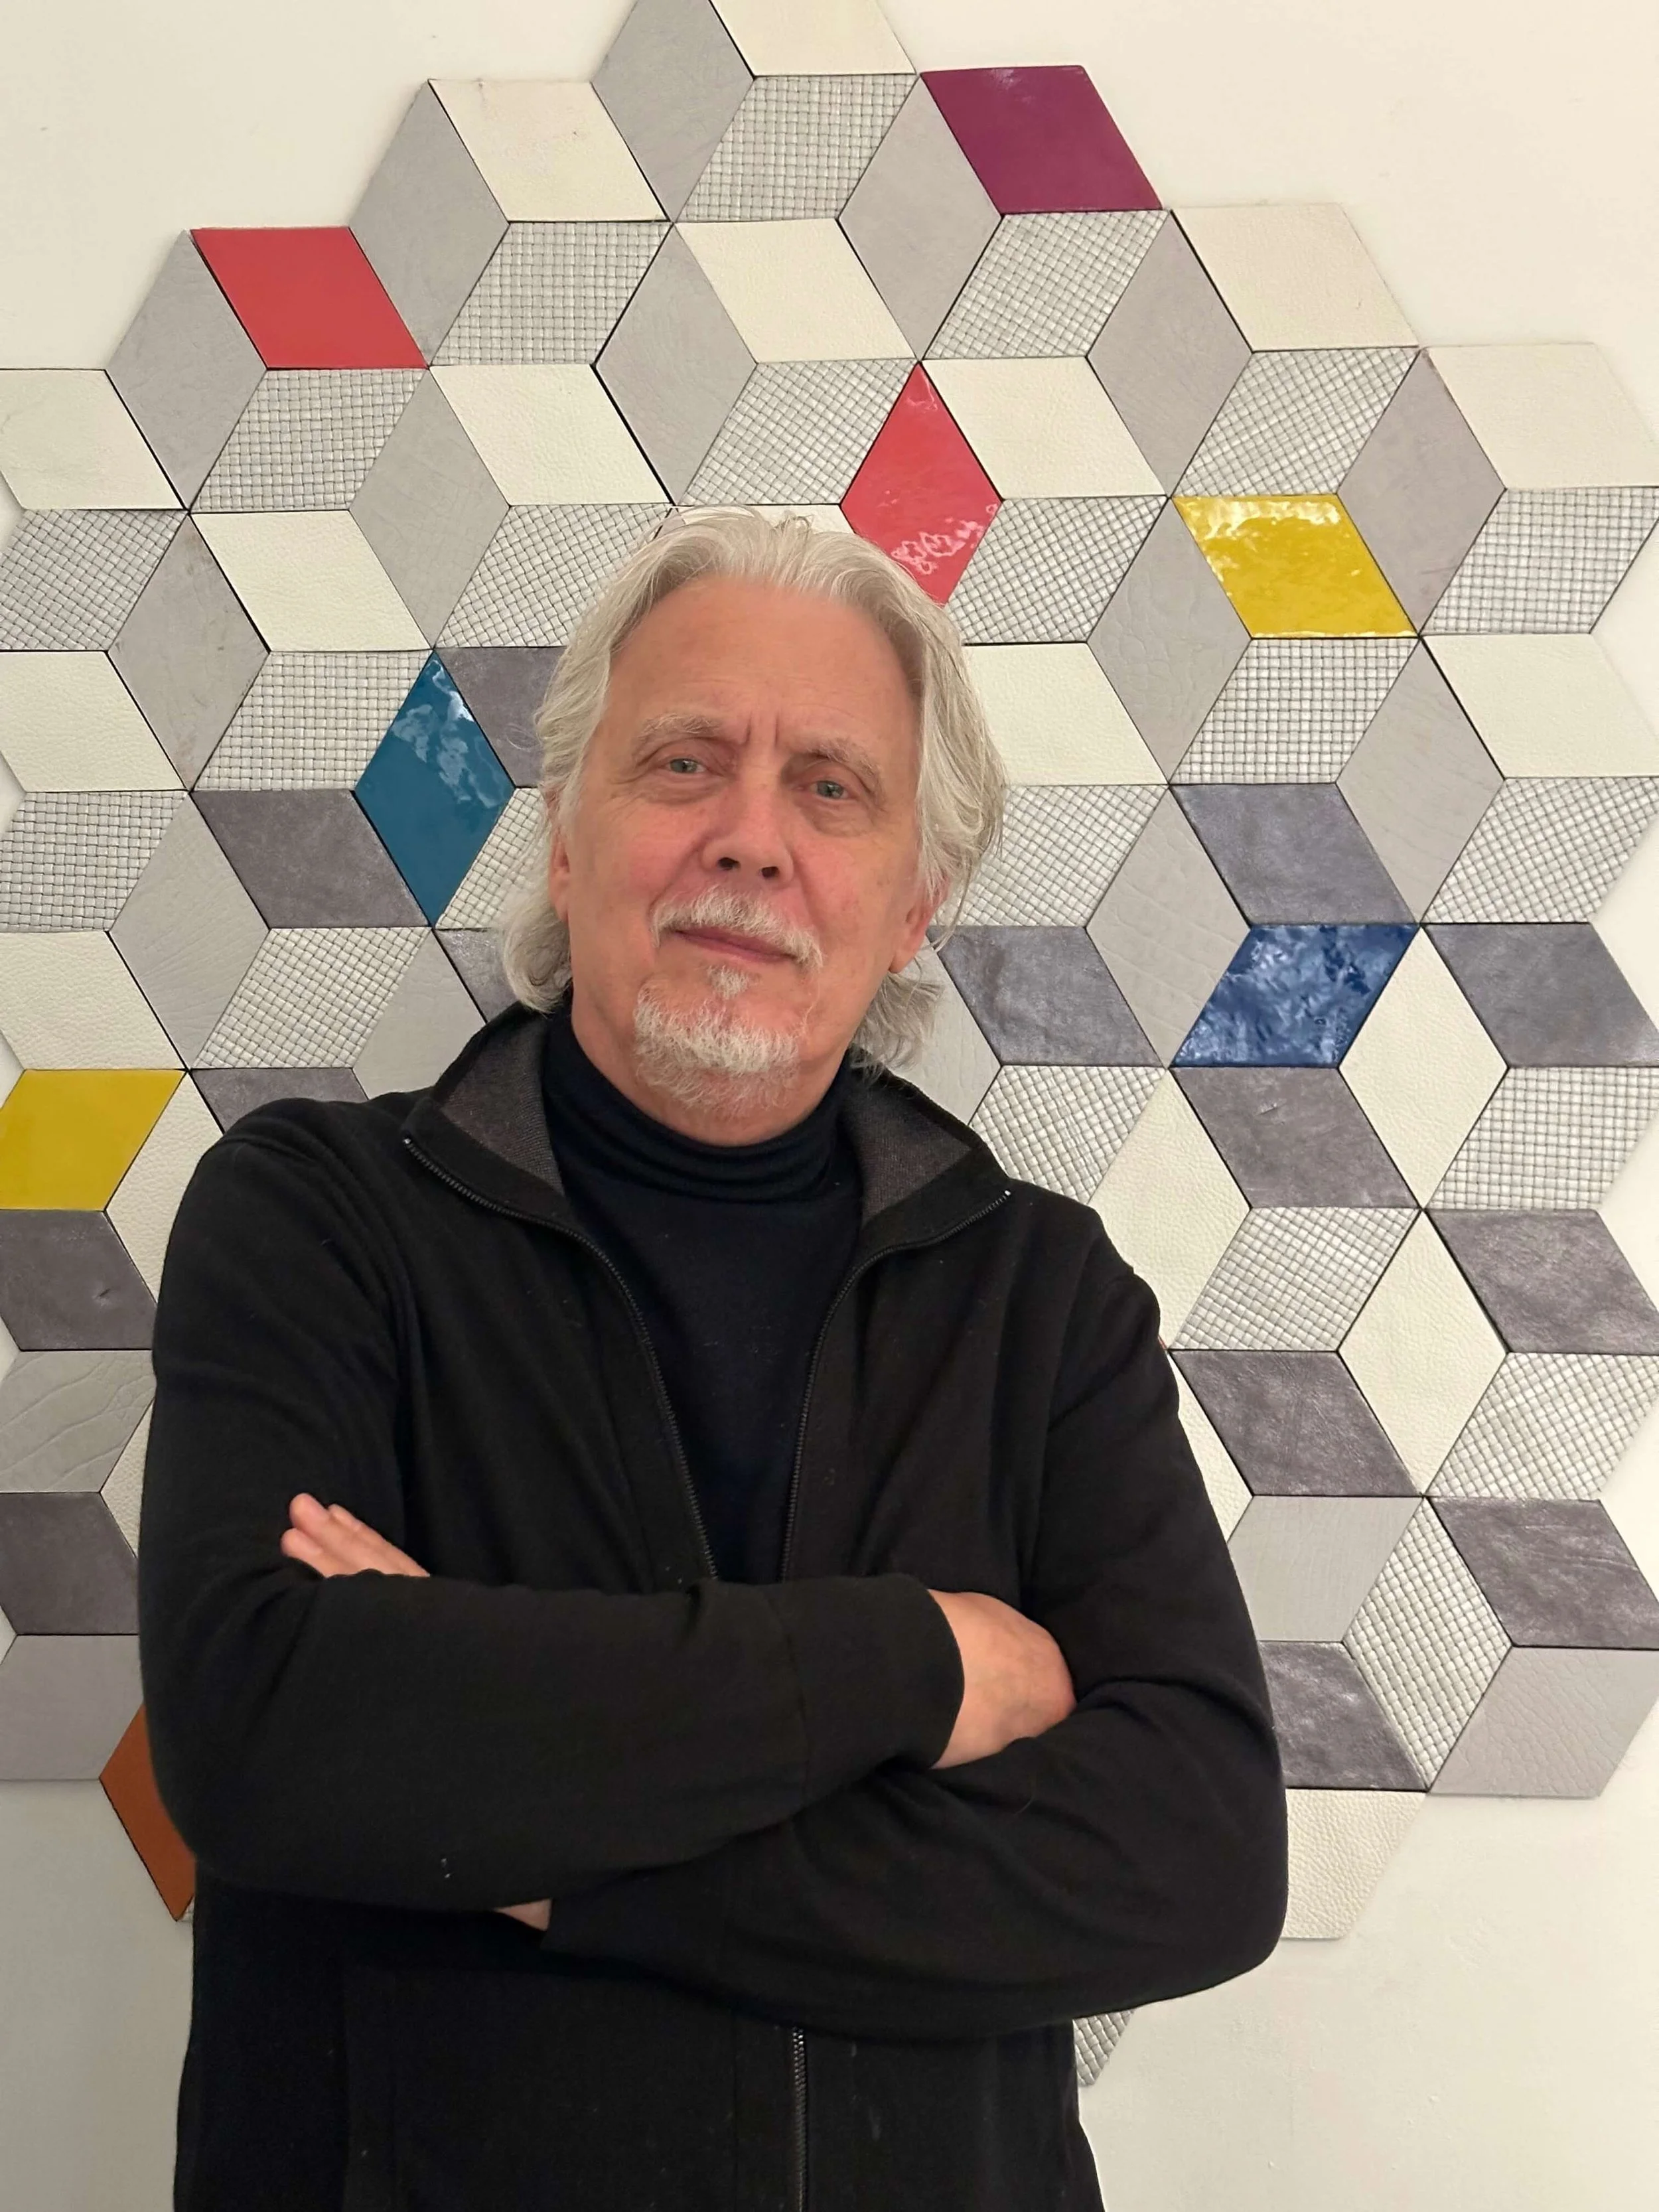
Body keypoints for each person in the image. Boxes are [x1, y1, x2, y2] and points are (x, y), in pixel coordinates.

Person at [137, 506, 1287, 2212]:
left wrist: (549, 1860)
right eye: (684, 762)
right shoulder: (313, 1222)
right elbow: (268, 1741)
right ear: (563, 842)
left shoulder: (1040, 1296)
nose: (750, 838)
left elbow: (1193, 1855)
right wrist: (907, 1664)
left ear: (913, 903)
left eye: (829, 786)